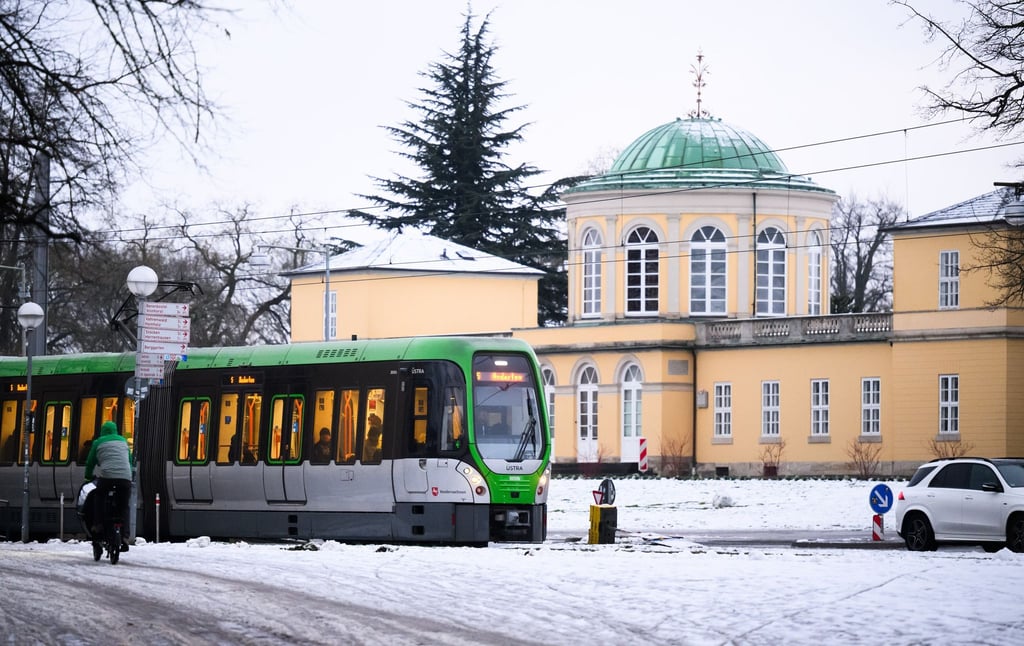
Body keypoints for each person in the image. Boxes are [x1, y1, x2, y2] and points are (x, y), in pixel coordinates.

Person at [84, 420, 133, 551]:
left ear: (102, 431)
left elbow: (90, 462)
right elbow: (129, 460)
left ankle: (98, 525)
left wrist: (88, 476)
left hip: (107, 479)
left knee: (99, 497)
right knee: (124, 506)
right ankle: (125, 536)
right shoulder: (123, 441)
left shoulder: (98, 442)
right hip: (125, 479)